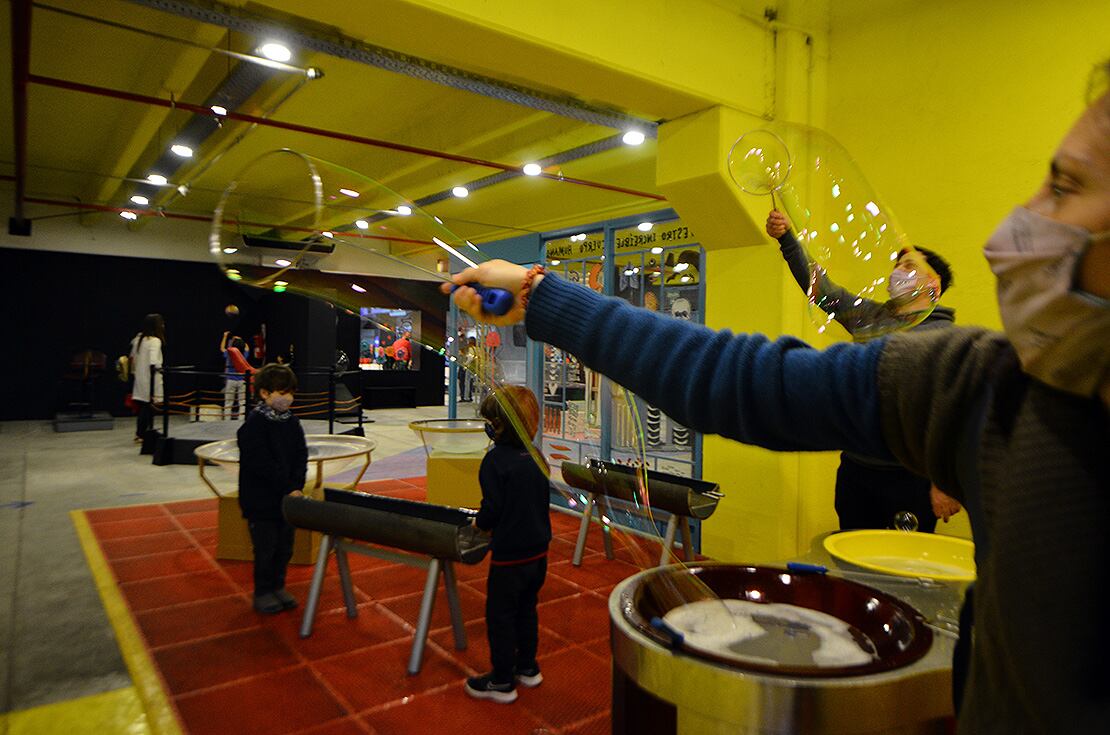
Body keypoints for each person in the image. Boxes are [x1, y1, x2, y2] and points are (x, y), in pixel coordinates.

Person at [448, 62, 1109, 732]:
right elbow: (739, 377)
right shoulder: (981, 384)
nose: (1020, 225)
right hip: (866, 479)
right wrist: (541, 298)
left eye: (1065, 186)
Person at [766, 209, 962, 532]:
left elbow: (953, 415)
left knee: (902, 572)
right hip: (856, 470)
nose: (898, 271)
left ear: (934, 286)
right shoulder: (869, 316)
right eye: (897, 265)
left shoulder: (945, 338)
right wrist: (787, 239)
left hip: (910, 479)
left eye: (910, 266)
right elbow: (822, 291)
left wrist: (945, 482)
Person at [465, 385, 552, 704]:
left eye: (493, 422)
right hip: (538, 552)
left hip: (509, 556)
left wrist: (479, 524)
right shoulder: (536, 457)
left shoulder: (495, 461)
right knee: (527, 610)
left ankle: (502, 680)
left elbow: (493, 509)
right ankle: (528, 667)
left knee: (500, 615)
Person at [236, 363, 308, 615]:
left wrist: (297, 485)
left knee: (284, 546)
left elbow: (301, 454)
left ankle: (278, 585)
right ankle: (263, 591)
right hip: (262, 500)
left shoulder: (292, 423)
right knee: (265, 548)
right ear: (264, 393)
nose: (287, 398)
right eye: (281, 392)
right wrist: (288, 487)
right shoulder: (254, 425)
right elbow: (261, 464)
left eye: (290, 392)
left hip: (287, 500)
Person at [129, 313, 164, 443]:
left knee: (144, 407)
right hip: (150, 380)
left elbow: (132, 359)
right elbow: (153, 363)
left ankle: (142, 433)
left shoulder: (138, 340)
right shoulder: (155, 341)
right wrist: (152, 388)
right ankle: (143, 434)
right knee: (148, 407)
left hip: (140, 379)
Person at [220, 332, 256, 420]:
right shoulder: (244, 354)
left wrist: (225, 337)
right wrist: (241, 340)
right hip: (242, 380)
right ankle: (241, 420)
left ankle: (226, 421)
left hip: (231, 380)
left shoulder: (229, 354)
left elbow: (222, 348)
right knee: (242, 402)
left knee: (228, 402)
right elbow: (247, 347)